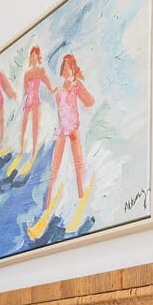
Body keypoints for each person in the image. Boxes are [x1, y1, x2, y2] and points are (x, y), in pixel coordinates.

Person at [46, 53, 95, 202]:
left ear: (73, 70)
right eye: (65, 69)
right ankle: (48, 198)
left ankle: (81, 193)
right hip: (62, 128)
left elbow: (90, 101)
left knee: (78, 162)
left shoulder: (76, 85)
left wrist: (80, 111)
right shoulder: (59, 90)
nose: (67, 71)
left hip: (73, 128)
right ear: (62, 71)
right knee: (55, 165)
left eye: (69, 69)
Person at [14, 45, 54, 166]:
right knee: (23, 126)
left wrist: (53, 91)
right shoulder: (27, 72)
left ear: (38, 57)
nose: (32, 58)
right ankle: (21, 150)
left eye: (34, 56)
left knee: (35, 127)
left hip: (36, 101)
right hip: (28, 102)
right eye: (31, 56)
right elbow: (25, 90)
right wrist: (23, 104)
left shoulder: (40, 70)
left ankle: (34, 152)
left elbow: (47, 82)